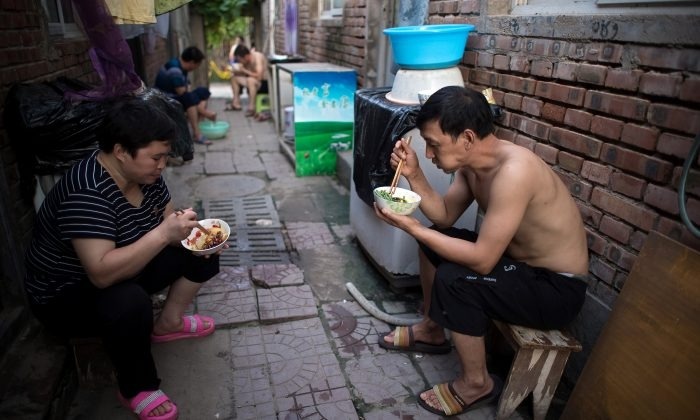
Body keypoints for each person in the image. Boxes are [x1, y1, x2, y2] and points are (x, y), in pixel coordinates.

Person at [374, 86, 589, 416]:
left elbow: (483, 261)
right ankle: (432, 330)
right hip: (520, 269)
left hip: (555, 290)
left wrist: (411, 226)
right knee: (435, 240)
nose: (430, 154)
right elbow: (445, 215)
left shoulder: (514, 171)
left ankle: (477, 383)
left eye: (434, 144)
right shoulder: (472, 166)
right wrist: (414, 175)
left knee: (456, 278)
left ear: (467, 138)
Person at [24, 98, 225, 420]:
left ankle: (169, 322)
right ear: (120, 151)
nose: (162, 165)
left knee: (201, 252)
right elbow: (101, 274)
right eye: (156, 157)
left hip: (126, 265)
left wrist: (193, 235)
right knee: (130, 301)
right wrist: (164, 235)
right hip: (65, 295)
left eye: (164, 157)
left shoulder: (146, 175)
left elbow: (165, 220)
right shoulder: (87, 192)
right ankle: (137, 386)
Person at [155, 46, 215, 145]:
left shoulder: (183, 68)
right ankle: (197, 134)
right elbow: (182, 92)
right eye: (198, 64)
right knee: (189, 98)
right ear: (192, 62)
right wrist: (204, 112)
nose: (197, 67)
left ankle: (198, 123)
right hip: (165, 98)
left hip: (177, 95)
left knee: (203, 91)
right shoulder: (175, 69)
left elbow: (188, 88)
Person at [227, 44, 269, 117]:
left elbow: (259, 76)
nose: (240, 62)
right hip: (253, 82)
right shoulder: (245, 62)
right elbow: (244, 72)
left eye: (240, 60)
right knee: (234, 78)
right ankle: (236, 103)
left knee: (250, 80)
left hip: (264, 83)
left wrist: (244, 71)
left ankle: (251, 107)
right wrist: (232, 70)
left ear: (246, 57)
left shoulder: (257, 57)